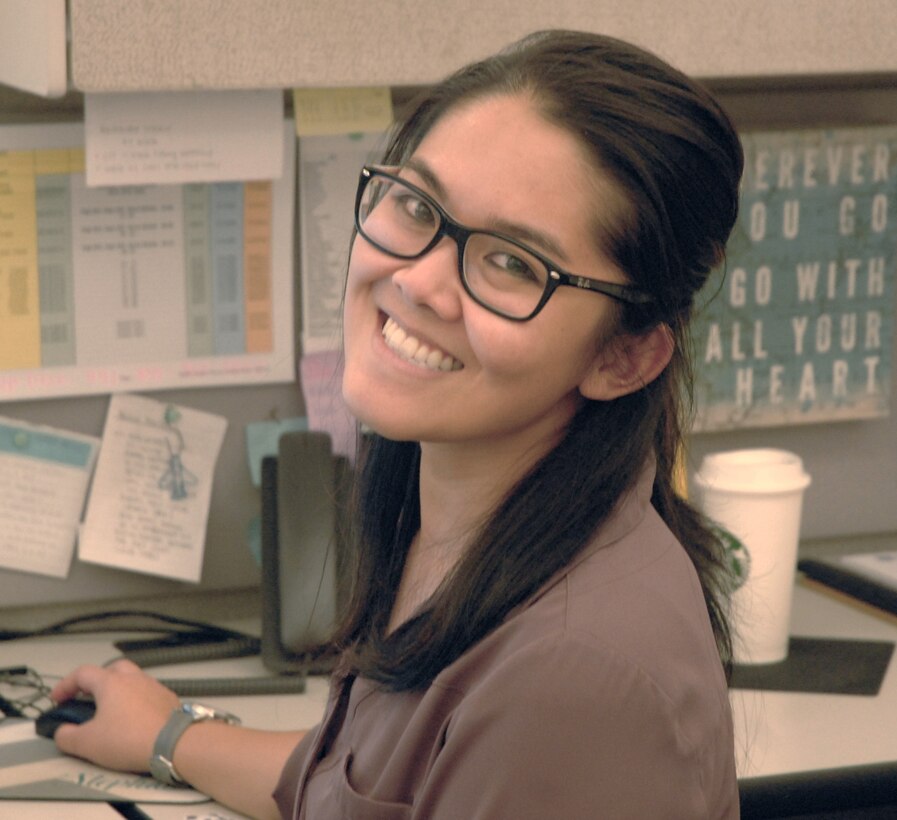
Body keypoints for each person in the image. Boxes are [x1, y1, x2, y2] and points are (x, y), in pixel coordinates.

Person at [50, 29, 744, 819]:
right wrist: (171, 735)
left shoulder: (570, 677)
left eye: (513, 262)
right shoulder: (457, 531)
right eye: (416, 206)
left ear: (623, 358)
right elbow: (360, 788)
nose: (417, 281)